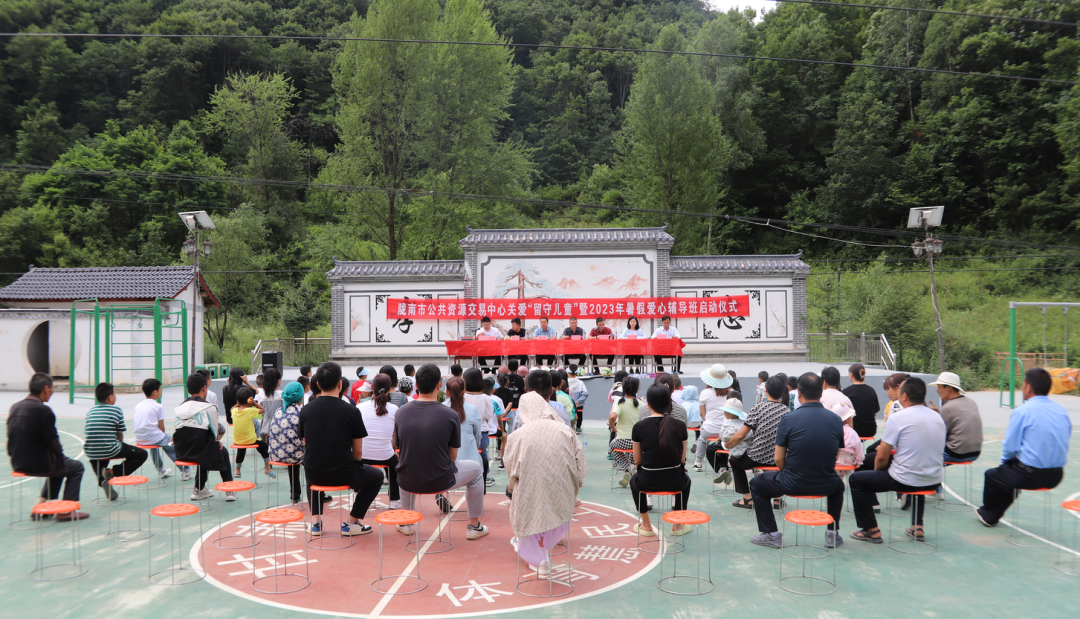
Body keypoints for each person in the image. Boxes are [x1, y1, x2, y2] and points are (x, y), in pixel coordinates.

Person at [749, 373, 847, 549]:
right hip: (826, 482)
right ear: (821, 393)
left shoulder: (789, 419)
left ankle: (771, 534)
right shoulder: (835, 419)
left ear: (799, 393)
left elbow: (778, 458)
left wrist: (789, 472)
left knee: (756, 484)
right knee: (838, 487)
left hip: (792, 483)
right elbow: (835, 455)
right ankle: (832, 534)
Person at [394, 364, 489, 540]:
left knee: (404, 467)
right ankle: (474, 526)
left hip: (409, 481)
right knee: (477, 469)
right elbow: (453, 457)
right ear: (439, 385)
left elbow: (398, 449)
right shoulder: (450, 415)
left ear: (416, 385)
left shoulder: (400, 413)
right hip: (441, 480)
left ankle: (406, 522)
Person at [504, 383, 587, 577]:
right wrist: (574, 486)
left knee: (526, 500)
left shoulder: (517, 436)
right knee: (546, 503)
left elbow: (511, 470)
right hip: (562, 493)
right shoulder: (565, 430)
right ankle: (542, 554)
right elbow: (580, 465)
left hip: (529, 493)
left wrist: (512, 488)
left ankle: (540, 559)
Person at [848, 377, 945, 544]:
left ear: (904, 396)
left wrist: (878, 472)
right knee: (917, 469)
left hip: (905, 480)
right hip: (933, 480)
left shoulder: (898, 418)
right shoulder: (937, 417)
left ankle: (871, 529)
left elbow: (882, 457)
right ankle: (917, 526)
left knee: (856, 480)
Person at [975, 368, 1071, 528]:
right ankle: (991, 515)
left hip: (1030, 476)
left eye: (1023, 384)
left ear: (1028, 387)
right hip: (1057, 475)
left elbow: (1010, 447)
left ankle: (989, 513)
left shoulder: (1023, 411)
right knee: (1009, 475)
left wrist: (1006, 463)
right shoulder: (1061, 410)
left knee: (993, 475)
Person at [299, 362, 384, 536]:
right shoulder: (351, 411)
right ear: (340, 384)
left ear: (318, 385)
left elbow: (307, 443)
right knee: (377, 476)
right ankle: (351, 522)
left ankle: (315, 523)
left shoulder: (306, 410)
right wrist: (356, 468)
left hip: (315, 473)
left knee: (311, 466)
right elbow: (358, 452)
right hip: (344, 473)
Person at [7, 373, 88, 520]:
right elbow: (53, 441)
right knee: (75, 467)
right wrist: (60, 456)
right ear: (46, 389)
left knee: (59, 465)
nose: (53, 392)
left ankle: (39, 506)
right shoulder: (43, 410)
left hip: (17, 462)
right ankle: (66, 511)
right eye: (52, 388)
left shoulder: (15, 407)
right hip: (36, 464)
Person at [630, 384, 691, 537]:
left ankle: (646, 525)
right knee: (686, 480)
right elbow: (682, 458)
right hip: (675, 482)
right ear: (669, 403)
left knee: (633, 482)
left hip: (647, 482)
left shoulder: (639, 427)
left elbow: (637, 460)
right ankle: (677, 525)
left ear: (648, 404)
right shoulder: (680, 426)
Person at [723, 376, 789, 509]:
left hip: (755, 457)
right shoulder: (787, 412)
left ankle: (747, 498)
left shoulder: (758, 408)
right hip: (778, 458)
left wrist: (728, 444)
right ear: (783, 392)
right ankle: (777, 499)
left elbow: (741, 434)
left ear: (766, 389)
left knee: (734, 461)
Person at [175, 373, 235, 501]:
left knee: (204, 449)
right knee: (221, 451)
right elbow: (215, 433)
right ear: (204, 388)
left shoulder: (180, 407)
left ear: (187, 390)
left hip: (180, 453)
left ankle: (198, 489)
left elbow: (178, 429)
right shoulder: (210, 407)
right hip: (200, 452)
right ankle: (229, 490)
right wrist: (216, 442)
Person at [85, 382, 148, 500]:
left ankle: (102, 479)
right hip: (110, 448)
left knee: (98, 454)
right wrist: (119, 444)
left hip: (91, 450)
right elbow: (120, 434)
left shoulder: (90, 411)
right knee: (141, 454)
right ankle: (112, 472)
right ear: (110, 397)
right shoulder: (116, 410)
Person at [358, 373, 402, 509]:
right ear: (389, 389)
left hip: (363, 456)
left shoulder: (360, 407)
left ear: (372, 387)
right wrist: (393, 450)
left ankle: (358, 494)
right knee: (394, 466)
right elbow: (394, 438)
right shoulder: (394, 409)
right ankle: (394, 500)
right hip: (385, 455)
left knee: (357, 465)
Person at [927, 371, 983, 463]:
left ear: (949, 388)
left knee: (922, 452)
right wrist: (939, 414)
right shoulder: (971, 402)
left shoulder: (948, 407)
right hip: (975, 453)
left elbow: (939, 434)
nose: (937, 391)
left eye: (939, 387)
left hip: (956, 454)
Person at [134, 378, 184, 480]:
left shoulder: (138, 406)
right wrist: (164, 438)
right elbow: (162, 428)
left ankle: (161, 470)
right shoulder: (158, 406)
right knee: (172, 444)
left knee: (154, 446)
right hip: (153, 436)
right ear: (155, 392)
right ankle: (185, 469)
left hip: (139, 438)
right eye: (160, 389)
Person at [269, 381, 306, 504]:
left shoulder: (279, 411)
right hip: (294, 456)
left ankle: (294, 494)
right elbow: (304, 439)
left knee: (292, 450)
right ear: (301, 396)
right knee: (308, 453)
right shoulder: (301, 412)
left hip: (276, 455)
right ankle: (316, 492)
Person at [693, 364, 733, 471]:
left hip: (709, 429)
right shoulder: (732, 392)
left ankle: (698, 463)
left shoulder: (705, 393)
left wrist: (708, 422)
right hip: (727, 430)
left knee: (702, 440)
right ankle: (727, 463)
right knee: (725, 442)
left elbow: (702, 414)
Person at [444, 376, 484, 481]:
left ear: (447, 392)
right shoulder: (473, 410)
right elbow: (477, 436)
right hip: (471, 461)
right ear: (463, 392)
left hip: (446, 463)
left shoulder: (440, 408)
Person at [463, 368, 497, 487]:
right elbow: (488, 416)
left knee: (466, 457)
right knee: (482, 453)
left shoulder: (462, 396)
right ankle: (487, 476)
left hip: (464, 433)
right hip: (482, 433)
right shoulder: (486, 398)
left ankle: (465, 478)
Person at [231, 387, 273, 479]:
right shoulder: (249, 411)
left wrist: (237, 404)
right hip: (250, 440)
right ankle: (267, 468)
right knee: (264, 446)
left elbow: (231, 408)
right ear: (249, 400)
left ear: (238, 400)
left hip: (237, 441)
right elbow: (263, 410)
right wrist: (254, 403)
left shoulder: (234, 411)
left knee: (241, 450)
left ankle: (237, 470)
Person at [609, 376, 642, 487]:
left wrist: (613, 428)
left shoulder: (620, 403)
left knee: (612, 446)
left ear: (623, 388)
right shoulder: (642, 404)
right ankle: (632, 466)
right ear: (637, 390)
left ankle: (627, 469)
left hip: (622, 441)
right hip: (637, 443)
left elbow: (612, 417)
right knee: (634, 451)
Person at [708, 398, 748, 485]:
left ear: (730, 413)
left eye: (725, 411)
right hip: (743, 448)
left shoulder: (727, 424)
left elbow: (723, 437)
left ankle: (721, 469)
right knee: (721, 449)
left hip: (729, 446)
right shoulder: (744, 423)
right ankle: (723, 469)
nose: (724, 413)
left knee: (710, 449)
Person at [842, 363, 880, 440]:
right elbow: (875, 413)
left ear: (851, 374)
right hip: (871, 430)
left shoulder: (846, 392)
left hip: (854, 429)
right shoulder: (871, 390)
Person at [832, 403, 866, 469]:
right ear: (848, 419)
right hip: (848, 461)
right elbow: (858, 448)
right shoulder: (852, 432)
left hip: (832, 461)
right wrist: (859, 461)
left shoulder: (830, 430)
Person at [568, 367, 588, 434]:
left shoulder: (566, 382)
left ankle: (570, 427)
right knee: (579, 415)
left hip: (568, 403)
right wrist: (578, 402)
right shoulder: (580, 382)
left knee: (569, 414)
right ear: (577, 372)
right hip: (579, 404)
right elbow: (585, 394)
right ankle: (578, 428)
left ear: (568, 372)